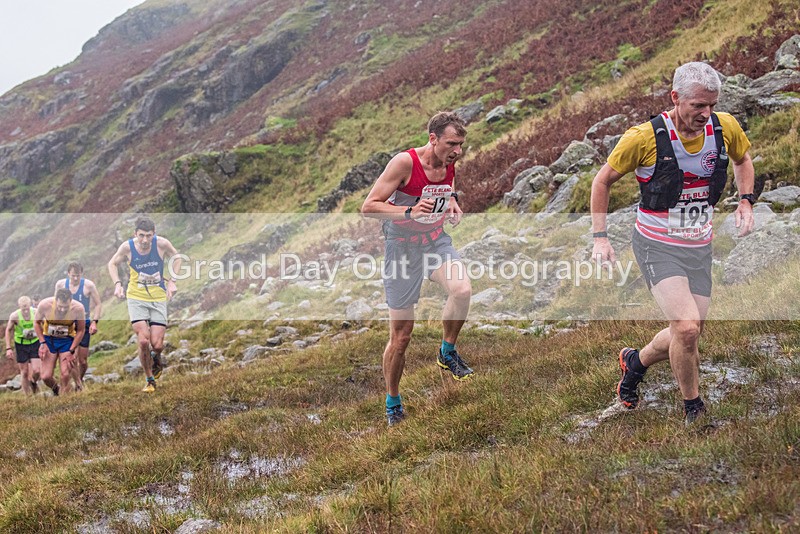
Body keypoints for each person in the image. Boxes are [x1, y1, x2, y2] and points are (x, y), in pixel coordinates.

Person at [590, 62, 755, 425]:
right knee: (687, 328)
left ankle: (635, 362)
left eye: (711, 104)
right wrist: (600, 238)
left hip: (700, 245)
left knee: (690, 332)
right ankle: (693, 408)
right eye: (698, 105)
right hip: (656, 245)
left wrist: (746, 200)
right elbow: (601, 182)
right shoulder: (643, 137)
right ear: (675, 98)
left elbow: (743, 160)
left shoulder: (724, 127)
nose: (705, 113)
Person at [361, 111, 473, 426]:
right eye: (452, 143)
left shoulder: (449, 162)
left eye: (461, 145)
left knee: (462, 290)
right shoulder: (405, 163)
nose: (457, 151)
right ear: (433, 138)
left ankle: (447, 352)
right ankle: (393, 401)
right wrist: (409, 210)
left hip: (436, 241)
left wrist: (452, 201)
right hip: (403, 250)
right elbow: (369, 207)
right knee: (401, 336)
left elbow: (445, 187)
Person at [107, 217, 179, 393]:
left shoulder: (162, 244)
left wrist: (172, 281)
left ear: (154, 234)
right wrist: (117, 284)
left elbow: (177, 257)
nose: (145, 240)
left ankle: (156, 357)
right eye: (141, 236)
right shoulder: (127, 247)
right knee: (143, 340)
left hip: (158, 295)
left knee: (158, 344)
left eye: (148, 235)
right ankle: (149, 379)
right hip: (136, 296)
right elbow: (112, 263)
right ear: (135, 234)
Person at [55, 262, 102, 389]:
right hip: (68, 324)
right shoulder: (60, 284)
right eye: (73, 276)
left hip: (84, 322)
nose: (76, 278)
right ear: (68, 273)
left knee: (83, 361)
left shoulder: (88, 285)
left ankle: (79, 379)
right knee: (72, 356)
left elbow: (98, 304)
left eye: (78, 276)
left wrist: (94, 322)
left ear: (82, 274)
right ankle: (78, 385)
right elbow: (56, 304)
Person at [34, 288, 86, 395]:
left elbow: (81, 330)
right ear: (55, 300)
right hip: (49, 340)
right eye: (60, 307)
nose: (62, 310)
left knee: (65, 374)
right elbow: (36, 323)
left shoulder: (78, 308)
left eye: (65, 307)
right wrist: (42, 343)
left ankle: (64, 397)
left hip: (67, 341)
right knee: (46, 376)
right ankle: (56, 389)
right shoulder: (45, 305)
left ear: (71, 301)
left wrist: (72, 350)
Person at [4, 296, 42, 396]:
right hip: (21, 345)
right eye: (23, 308)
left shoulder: (36, 312)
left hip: (35, 342)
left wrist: (44, 341)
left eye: (27, 308)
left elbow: (44, 325)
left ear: (30, 305)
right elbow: (8, 330)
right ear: (19, 307)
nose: (25, 311)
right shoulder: (15, 316)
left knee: (37, 370)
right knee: (24, 372)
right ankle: (27, 396)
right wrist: (8, 348)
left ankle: (33, 382)